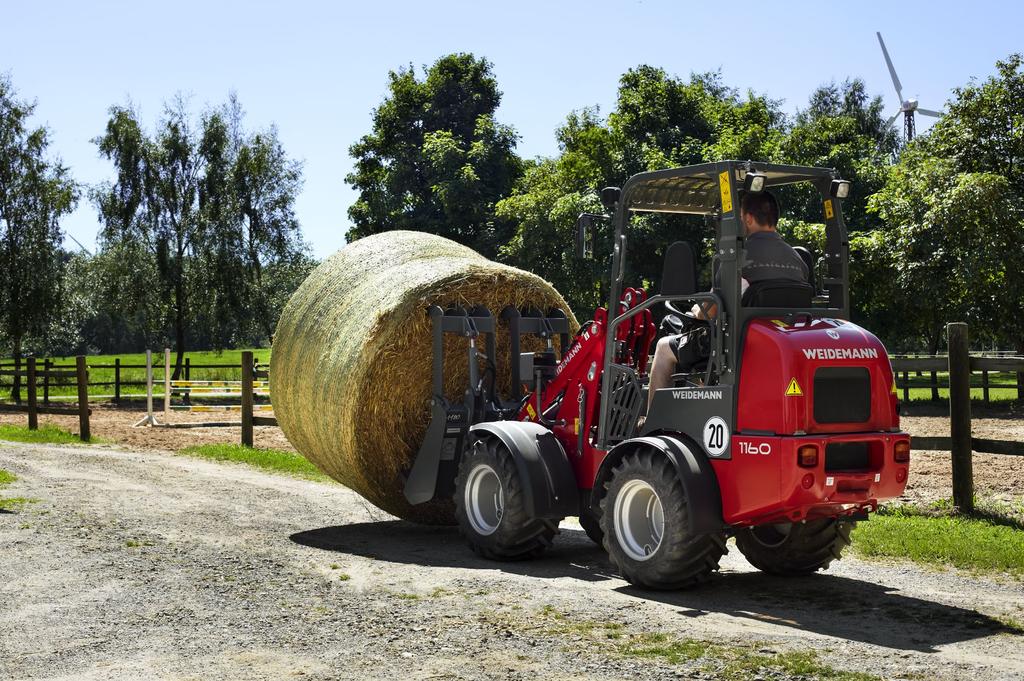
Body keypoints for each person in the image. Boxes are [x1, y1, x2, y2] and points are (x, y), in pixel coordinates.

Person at [645, 191, 808, 413]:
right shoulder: (796, 259)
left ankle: (655, 421)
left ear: (748, 218)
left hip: (736, 344)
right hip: (779, 339)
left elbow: (709, 311)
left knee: (665, 348)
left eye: (740, 215)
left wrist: (696, 311)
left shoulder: (738, 258)